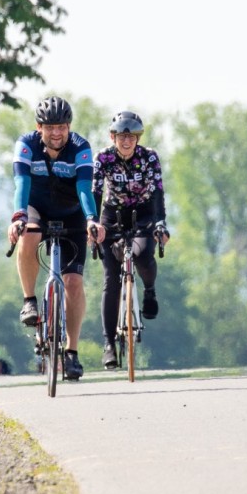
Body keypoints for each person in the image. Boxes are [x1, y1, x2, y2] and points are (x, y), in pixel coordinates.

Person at [7, 96, 104, 380]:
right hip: (36, 209)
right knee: (29, 233)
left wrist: (91, 219)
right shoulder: (26, 144)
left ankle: (71, 352)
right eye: (50, 127)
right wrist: (18, 216)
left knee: (73, 282)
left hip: (73, 214)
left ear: (69, 126)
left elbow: (85, 188)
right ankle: (29, 300)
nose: (57, 133)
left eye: (62, 127)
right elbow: (22, 183)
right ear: (39, 127)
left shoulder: (80, 147)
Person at [93, 110, 170, 369]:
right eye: (121, 137)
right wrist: (92, 222)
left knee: (143, 254)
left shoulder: (149, 157)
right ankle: (108, 344)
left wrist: (160, 223)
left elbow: (157, 192)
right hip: (112, 216)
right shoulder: (103, 158)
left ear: (137, 138)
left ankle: (149, 290)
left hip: (144, 214)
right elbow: (95, 192)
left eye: (131, 137)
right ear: (112, 137)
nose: (126, 141)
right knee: (110, 279)